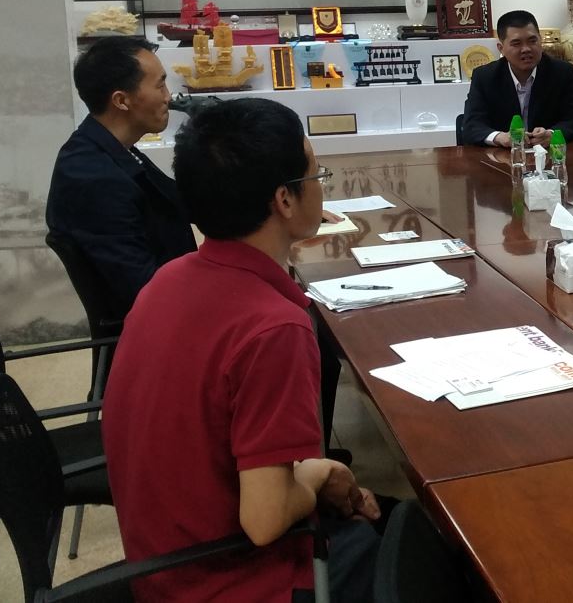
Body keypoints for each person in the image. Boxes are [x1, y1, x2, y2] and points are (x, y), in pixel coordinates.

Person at [103, 98, 382, 601]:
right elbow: (265, 519)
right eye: (316, 174)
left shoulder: (169, 278)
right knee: (418, 546)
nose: (321, 186)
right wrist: (321, 470)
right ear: (284, 200)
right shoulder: (273, 328)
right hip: (227, 582)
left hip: (160, 562)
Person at [46, 36, 195, 319]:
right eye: (160, 85)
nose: (168, 97)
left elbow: (178, 200)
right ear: (121, 100)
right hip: (155, 326)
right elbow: (144, 290)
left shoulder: (109, 148)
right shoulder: (94, 178)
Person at [461, 10, 573, 147]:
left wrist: (552, 134)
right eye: (516, 43)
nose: (526, 49)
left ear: (540, 40)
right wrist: (500, 137)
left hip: (547, 155)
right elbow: (471, 125)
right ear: (501, 48)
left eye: (532, 41)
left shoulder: (562, 72)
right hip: (502, 156)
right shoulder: (485, 77)